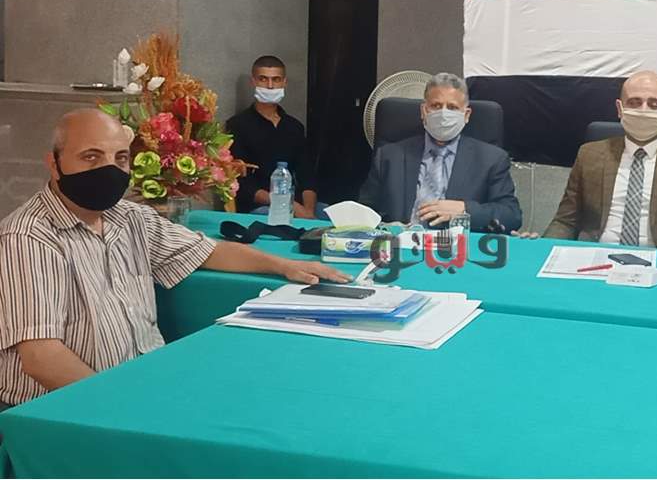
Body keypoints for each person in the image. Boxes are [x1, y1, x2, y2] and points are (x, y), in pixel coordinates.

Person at [0, 109, 349, 408]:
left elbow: (209, 250)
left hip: (140, 385)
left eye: (120, 159)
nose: (108, 169)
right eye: (91, 157)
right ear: (54, 164)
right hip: (66, 407)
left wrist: (284, 265)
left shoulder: (131, 217)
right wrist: (120, 408)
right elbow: (42, 358)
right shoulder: (29, 237)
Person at [541, 70, 657, 254]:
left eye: (654, 104)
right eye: (634, 102)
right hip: (594, 257)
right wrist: (540, 249)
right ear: (620, 108)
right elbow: (565, 221)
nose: (644, 110)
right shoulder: (589, 154)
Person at [358, 73, 522, 232]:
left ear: (466, 115)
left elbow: (511, 215)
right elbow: (364, 213)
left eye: (452, 107)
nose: (443, 114)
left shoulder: (491, 159)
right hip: (401, 244)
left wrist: (465, 210)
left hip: (456, 246)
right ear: (424, 111)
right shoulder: (389, 156)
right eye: (436, 106)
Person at [226, 55, 324, 219]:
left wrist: (308, 212)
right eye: (263, 79)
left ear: (284, 83)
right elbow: (241, 183)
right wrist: (288, 205)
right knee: (278, 219)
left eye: (276, 80)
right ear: (253, 82)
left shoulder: (294, 127)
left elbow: (307, 175)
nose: (270, 86)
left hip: (296, 202)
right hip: (260, 206)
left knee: (334, 218)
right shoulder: (238, 125)